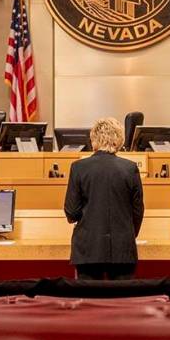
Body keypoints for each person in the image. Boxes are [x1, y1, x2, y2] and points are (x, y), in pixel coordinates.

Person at [64, 117, 144, 281]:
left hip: (88, 248)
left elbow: (71, 212)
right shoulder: (130, 169)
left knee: (90, 304)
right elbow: (137, 210)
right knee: (123, 304)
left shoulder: (78, 168)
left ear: (94, 140)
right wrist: (128, 234)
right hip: (123, 248)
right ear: (119, 140)